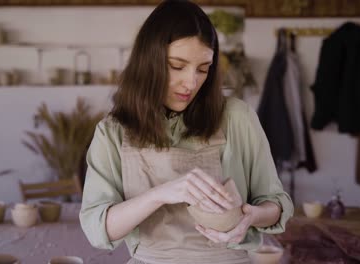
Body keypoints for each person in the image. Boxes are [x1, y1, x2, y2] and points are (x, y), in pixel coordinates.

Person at [79, 1, 294, 263]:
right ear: (149, 61)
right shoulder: (112, 131)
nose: (191, 82)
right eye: (177, 66)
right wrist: (161, 194)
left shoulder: (238, 118)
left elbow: (275, 202)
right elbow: (97, 227)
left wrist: (252, 215)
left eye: (203, 69)